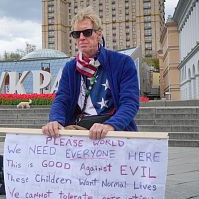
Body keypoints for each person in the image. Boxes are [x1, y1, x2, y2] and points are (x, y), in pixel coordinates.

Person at [42, 7, 139, 139]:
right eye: (76, 34)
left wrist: (110, 126)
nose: (81, 38)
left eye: (87, 32)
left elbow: (130, 102)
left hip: (112, 129)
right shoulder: (70, 68)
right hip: (80, 128)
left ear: (99, 35)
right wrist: (55, 120)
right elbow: (62, 99)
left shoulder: (123, 63)